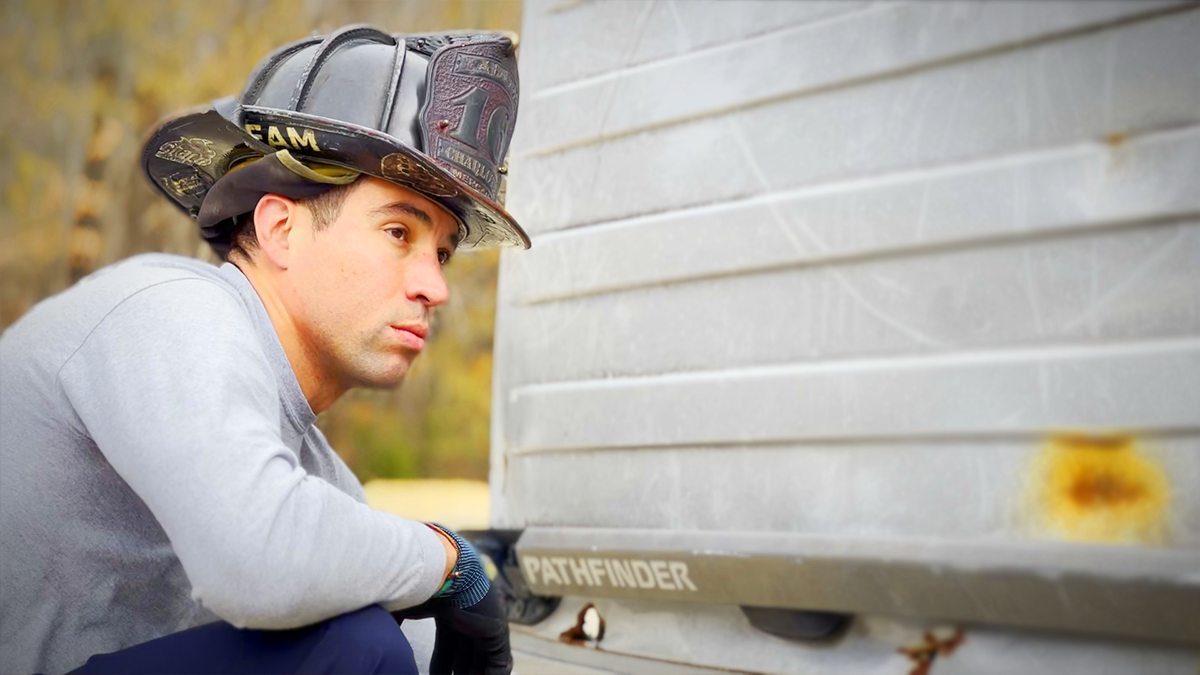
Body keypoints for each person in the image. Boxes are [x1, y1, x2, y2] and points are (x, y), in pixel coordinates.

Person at [0, 26, 529, 675]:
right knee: (357, 642)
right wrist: (454, 562)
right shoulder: (168, 309)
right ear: (280, 229)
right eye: (398, 232)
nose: (435, 286)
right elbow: (261, 558)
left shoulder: (307, 466)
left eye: (442, 252)